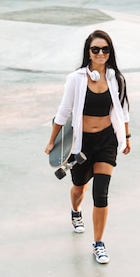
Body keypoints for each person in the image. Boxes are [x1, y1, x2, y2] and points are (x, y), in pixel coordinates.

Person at [45, 30, 131, 264]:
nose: (101, 53)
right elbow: (63, 111)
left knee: (101, 193)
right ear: (88, 52)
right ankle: (75, 212)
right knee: (79, 188)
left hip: (106, 141)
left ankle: (99, 243)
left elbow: (123, 109)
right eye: (96, 49)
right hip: (81, 144)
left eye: (105, 49)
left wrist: (127, 136)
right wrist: (53, 140)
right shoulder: (76, 79)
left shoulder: (116, 78)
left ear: (110, 52)